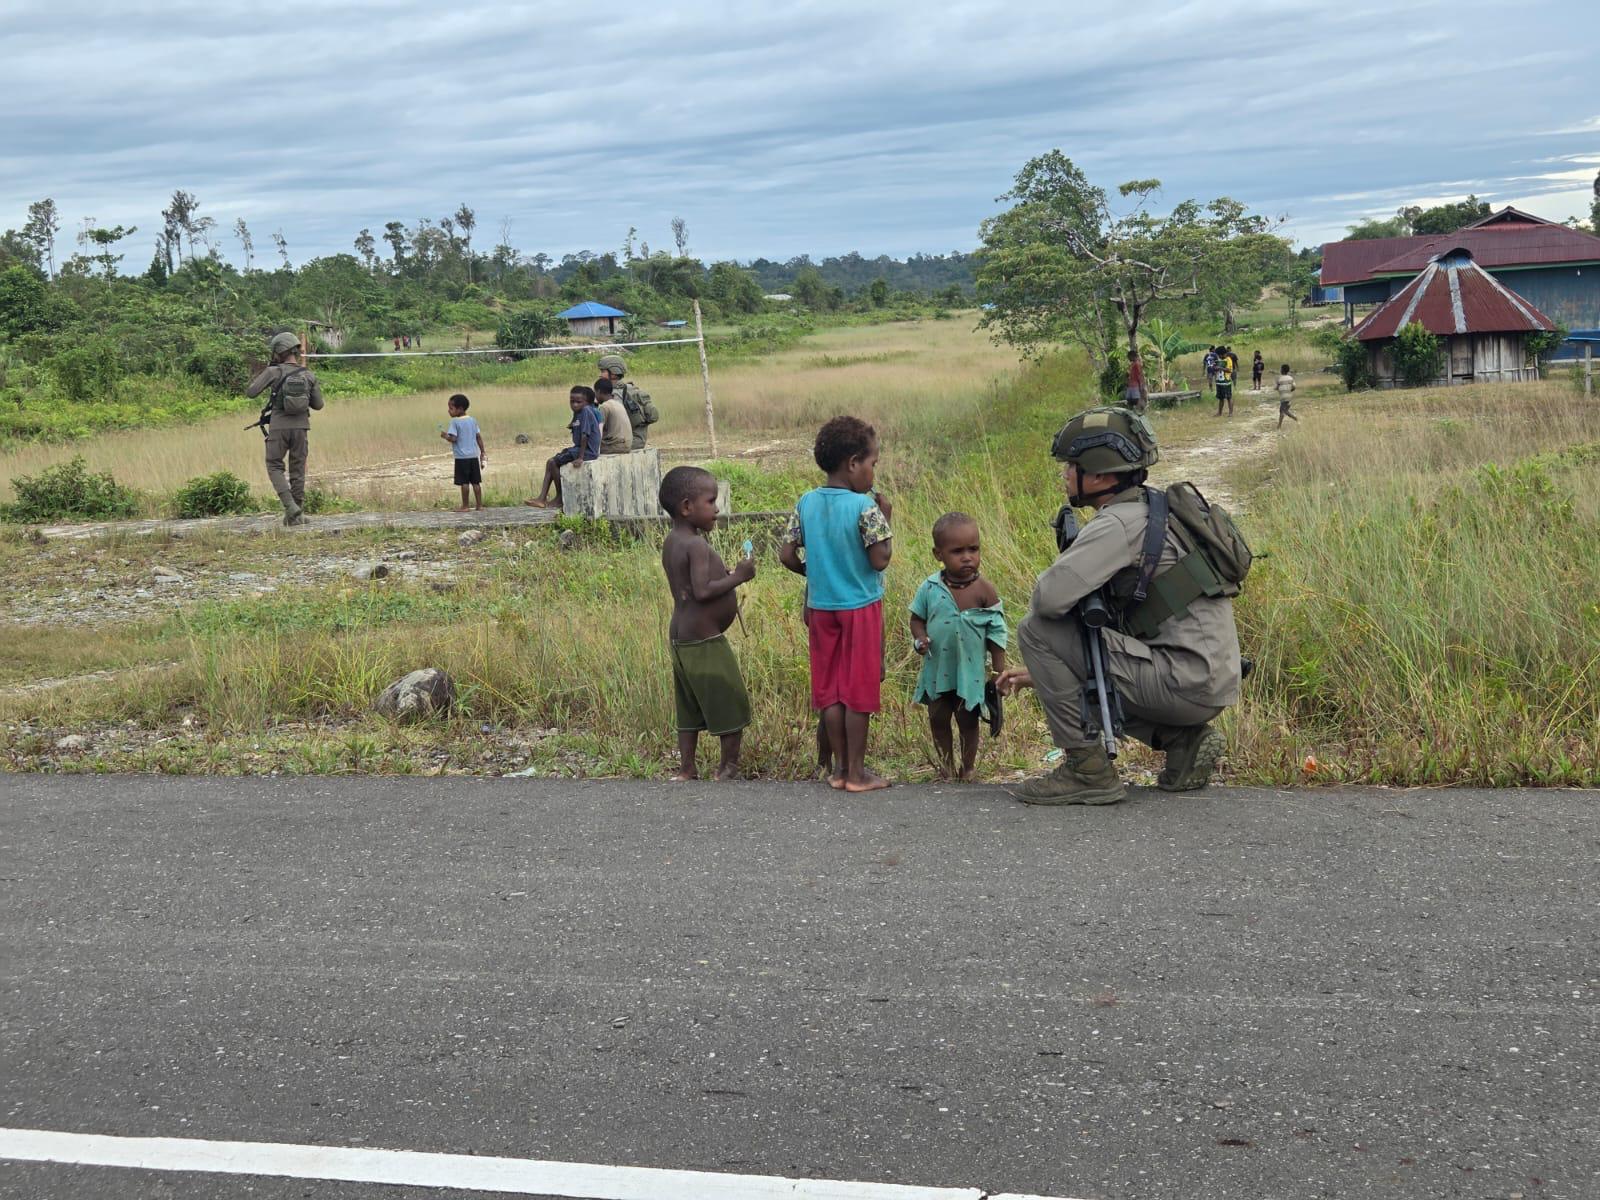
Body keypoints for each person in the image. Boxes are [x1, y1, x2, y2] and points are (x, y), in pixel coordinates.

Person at [996, 406, 1241, 805]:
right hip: (1206, 679)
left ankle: (1087, 769)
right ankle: (1182, 741)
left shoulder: (1119, 523)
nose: (1064, 475)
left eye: (1071, 466)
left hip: (1183, 681)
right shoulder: (1154, 509)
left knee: (1035, 630)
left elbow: (1048, 600)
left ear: (1101, 475)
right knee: (1081, 638)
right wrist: (1046, 673)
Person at [778, 415, 893, 793]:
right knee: (857, 691)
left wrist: (817, 574)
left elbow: (786, 554)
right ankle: (858, 775)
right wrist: (886, 523)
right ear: (853, 463)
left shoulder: (806, 502)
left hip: (821, 607)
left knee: (830, 690)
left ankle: (840, 770)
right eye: (873, 464)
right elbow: (880, 559)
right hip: (860, 606)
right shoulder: (865, 506)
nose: (873, 473)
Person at [659, 465, 756, 781]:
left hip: (681, 637)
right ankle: (728, 767)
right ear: (687, 507)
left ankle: (687, 768)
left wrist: (724, 577)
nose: (717, 509)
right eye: (711, 501)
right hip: (704, 641)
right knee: (729, 698)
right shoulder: (697, 544)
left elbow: (690, 586)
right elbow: (702, 591)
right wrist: (739, 576)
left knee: (688, 704)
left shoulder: (673, 541)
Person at [910, 512, 1007, 781]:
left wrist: (999, 673)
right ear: (938, 554)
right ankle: (945, 765)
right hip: (937, 669)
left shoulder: (984, 590)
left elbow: (997, 632)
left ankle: (968, 767)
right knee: (938, 718)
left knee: (968, 720)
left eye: (973, 549)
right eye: (957, 551)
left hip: (970, 672)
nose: (967, 557)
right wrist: (919, 639)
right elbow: (916, 619)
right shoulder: (929, 588)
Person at [245, 331, 324, 526]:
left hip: (279, 427)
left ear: (278, 352)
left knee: (274, 465)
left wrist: (266, 372)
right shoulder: (308, 375)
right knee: (297, 470)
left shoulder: (274, 372)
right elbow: (318, 405)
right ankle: (297, 513)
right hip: (301, 428)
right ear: (295, 351)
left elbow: (251, 392)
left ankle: (290, 507)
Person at [526, 386, 601, 509]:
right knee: (550, 462)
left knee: (553, 462)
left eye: (578, 402)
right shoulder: (578, 413)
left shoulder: (586, 411)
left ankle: (559, 498)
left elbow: (585, 435)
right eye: (572, 401)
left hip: (587, 451)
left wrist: (581, 457)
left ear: (587, 403)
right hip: (578, 448)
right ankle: (542, 498)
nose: (574, 405)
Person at [598, 353, 659, 451]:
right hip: (638, 440)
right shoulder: (631, 389)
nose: (600, 375)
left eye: (603, 371)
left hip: (627, 442)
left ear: (613, 373)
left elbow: (613, 422)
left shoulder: (615, 394)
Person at [441, 393, 486, 511]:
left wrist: (445, 436)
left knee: (464, 483)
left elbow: (453, 438)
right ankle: (479, 505)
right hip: (473, 456)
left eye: (451, 408)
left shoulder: (455, 422)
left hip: (461, 458)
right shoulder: (472, 420)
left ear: (460, 409)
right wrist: (483, 452)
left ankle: (465, 506)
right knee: (476, 482)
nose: (449, 411)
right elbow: (478, 437)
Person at [593, 377, 633, 455]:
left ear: (598, 391)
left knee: (587, 448)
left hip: (616, 446)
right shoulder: (618, 404)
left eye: (595, 393)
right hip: (627, 445)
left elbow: (598, 431)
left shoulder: (604, 407)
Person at [1276, 363, 1299, 428]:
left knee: (1282, 411)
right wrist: (1290, 390)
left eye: (1280, 369)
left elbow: (1277, 387)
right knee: (1285, 410)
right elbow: (1294, 386)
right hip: (1289, 396)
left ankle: (1279, 426)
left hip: (1283, 397)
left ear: (1282, 370)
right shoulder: (1290, 378)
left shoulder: (1279, 378)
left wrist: (1278, 389)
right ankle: (1295, 418)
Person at [1214, 350, 1235, 417]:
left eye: (1219, 355)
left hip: (1226, 382)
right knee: (1221, 398)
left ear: (1223, 354)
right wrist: (1215, 368)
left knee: (1229, 397)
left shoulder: (1228, 360)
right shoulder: (1218, 360)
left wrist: (1220, 368)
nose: (1219, 356)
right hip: (1219, 382)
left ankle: (1230, 413)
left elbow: (1229, 370)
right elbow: (1214, 368)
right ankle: (1219, 413)